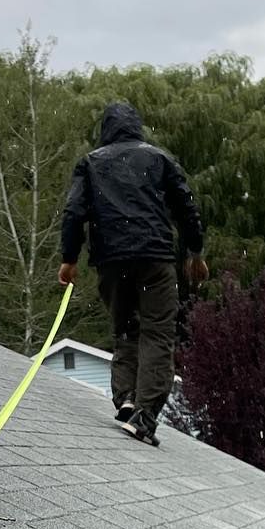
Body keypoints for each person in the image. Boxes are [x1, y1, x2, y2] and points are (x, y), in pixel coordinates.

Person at [58, 102, 207, 445]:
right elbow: (186, 207)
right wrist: (195, 251)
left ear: (106, 129)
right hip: (154, 257)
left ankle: (125, 397)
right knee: (157, 333)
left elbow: (73, 212)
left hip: (111, 259)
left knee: (125, 330)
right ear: (137, 127)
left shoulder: (91, 162)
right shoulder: (159, 159)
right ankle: (145, 414)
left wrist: (69, 258)